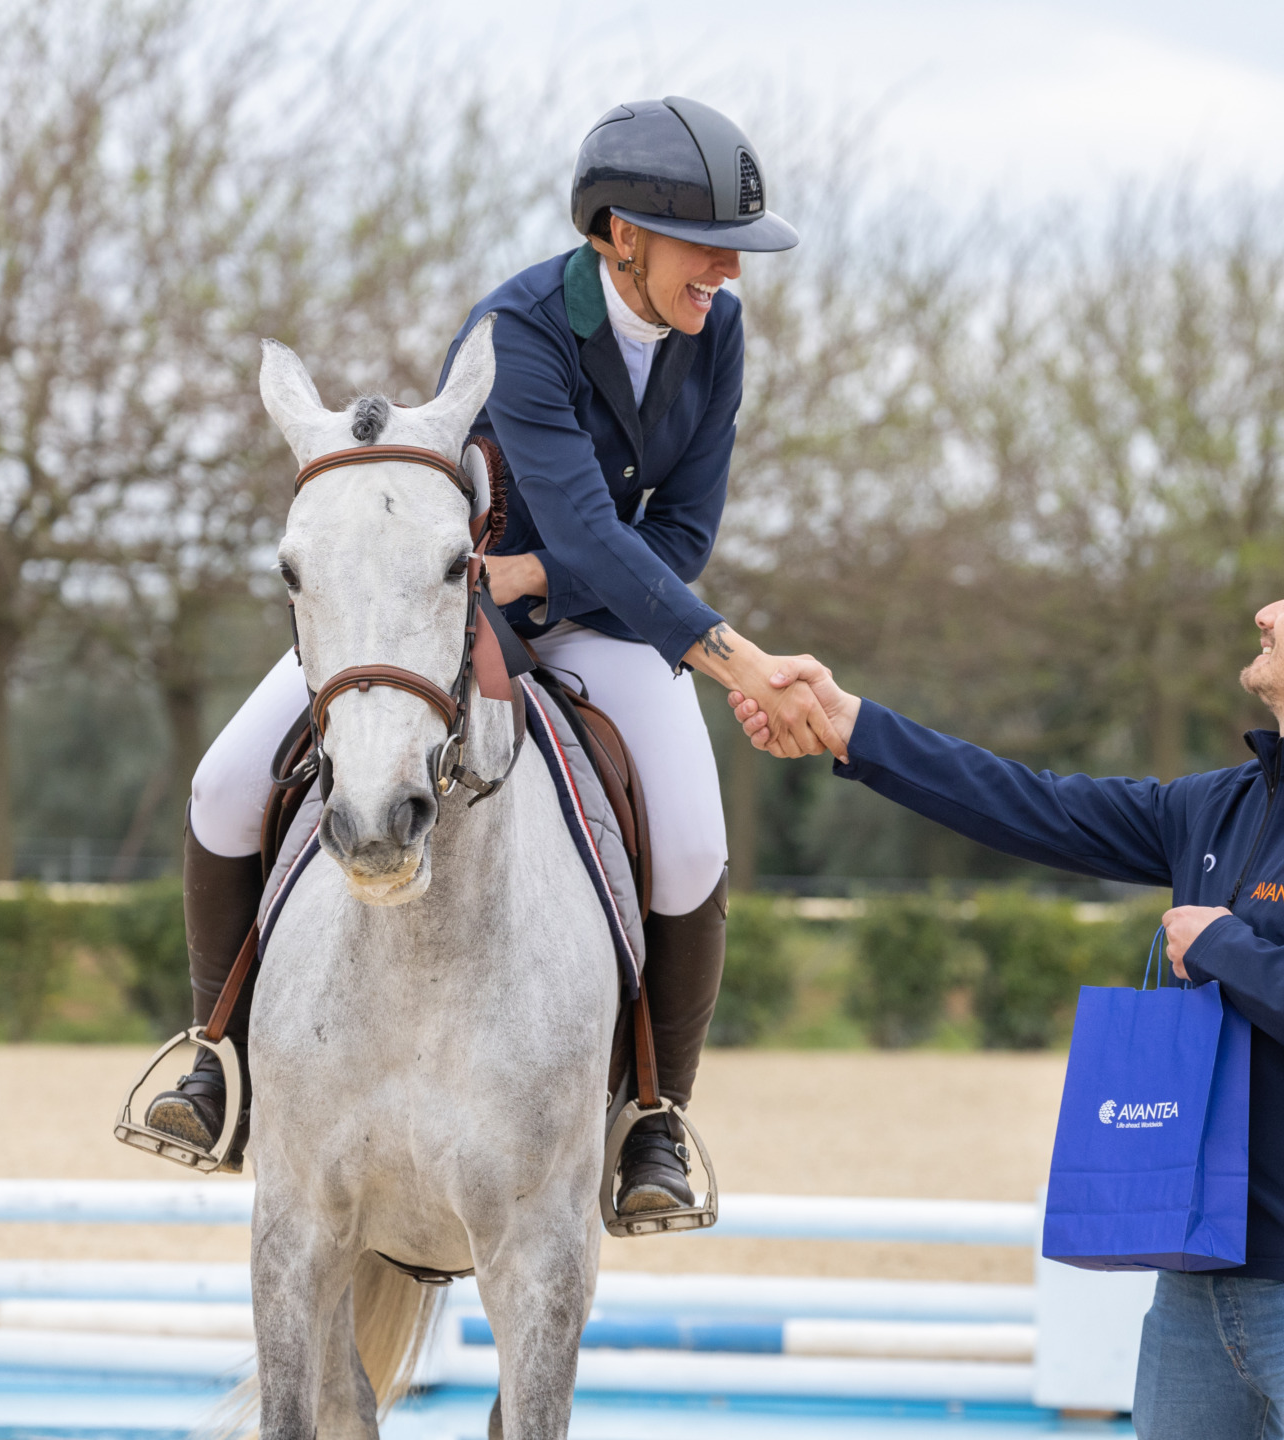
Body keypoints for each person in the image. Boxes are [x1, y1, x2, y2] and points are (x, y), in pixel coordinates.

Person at [149, 97, 839, 1215]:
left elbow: (682, 535)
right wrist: (734, 659)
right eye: (707, 247)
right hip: (444, 615)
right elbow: (586, 522)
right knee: (225, 784)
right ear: (621, 234)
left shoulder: (716, 334)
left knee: (695, 847)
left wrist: (545, 579)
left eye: (736, 253)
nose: (729, 273)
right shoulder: (519, 330)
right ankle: (215, 1059)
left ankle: (655, 1118)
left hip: (601, 619)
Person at [733, 526, 1284, 1439]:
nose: (1266, 612)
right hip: (1194, 1274)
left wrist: (1226, 947)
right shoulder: (1219, 804)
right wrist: (852, 725)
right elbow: (1029, 804)